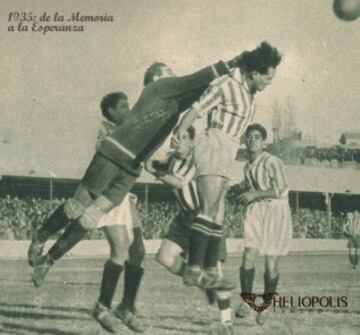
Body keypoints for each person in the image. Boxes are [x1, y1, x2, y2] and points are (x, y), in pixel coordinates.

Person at [28, 53, 241, 289]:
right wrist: (232, 63)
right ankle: (40, 236)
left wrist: (230, 81)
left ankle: (48, 261)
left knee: (89, 219)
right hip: (114, 154)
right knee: (75, 208)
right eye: (168, 71)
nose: (174, 75)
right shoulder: (157, 89)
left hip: (131, 169)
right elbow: (196, 80)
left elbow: (201, 92)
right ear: (155, 79)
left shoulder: (173, 105)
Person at [174, 42, 282, 290]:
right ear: (255, 73)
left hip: (228, 150)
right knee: (209, 207)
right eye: (268, 77)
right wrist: (179, 133)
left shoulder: (249, 94)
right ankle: (193, 267)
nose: (269, 83)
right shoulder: (226, 85)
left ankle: (210, 270)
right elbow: (196, 109)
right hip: (214, 143)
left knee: (216, 213)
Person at [145, 126, 233, 335]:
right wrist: (150, 159)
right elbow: (157, 161)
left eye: (183, 138)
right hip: (184, 218)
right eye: (175, 138)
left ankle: (226, 322)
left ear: (192, 142)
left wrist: (152, 169)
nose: (178, 142)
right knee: (164, 257)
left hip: (205, 218)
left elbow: (179, 181)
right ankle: (202, 282)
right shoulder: (172, 159)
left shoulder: (198, 157)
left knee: (216, 271)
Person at [234, 123, 292, 325]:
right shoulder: (247, 165)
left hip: (275, 210)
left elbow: (282, 189)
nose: (252, 140)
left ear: (264, 142)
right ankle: (247, 302)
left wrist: (254, 194)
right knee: (248, 254)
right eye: (249, 136)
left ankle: (266, 306)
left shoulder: (272, 161)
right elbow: (250, 186)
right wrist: (235, 189)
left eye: (257, 137)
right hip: (256, 210)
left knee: (270, 262)